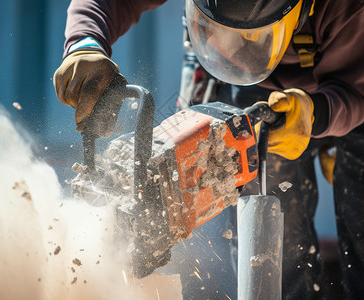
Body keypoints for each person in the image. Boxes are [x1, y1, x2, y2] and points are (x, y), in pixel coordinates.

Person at [53, 1, 364, 299]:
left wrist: (321, 114)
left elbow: (356, 89)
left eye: (250, 33)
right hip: (249, 78)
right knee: (277, 248)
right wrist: (85, 43)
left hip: (353, 71)